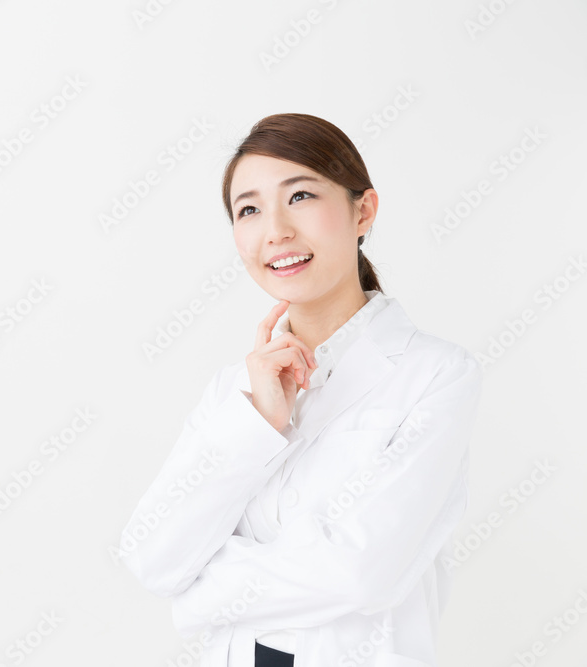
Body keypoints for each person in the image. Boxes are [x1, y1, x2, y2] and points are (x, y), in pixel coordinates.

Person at [118, 113, 483, 666]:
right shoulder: (234, 391)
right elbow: (151, 557)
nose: (276, 231)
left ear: (363, 211)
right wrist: (256, 423)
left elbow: (362, 574)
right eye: (249, 209)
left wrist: (199, 597)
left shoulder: (436, 375)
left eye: (302, 196)